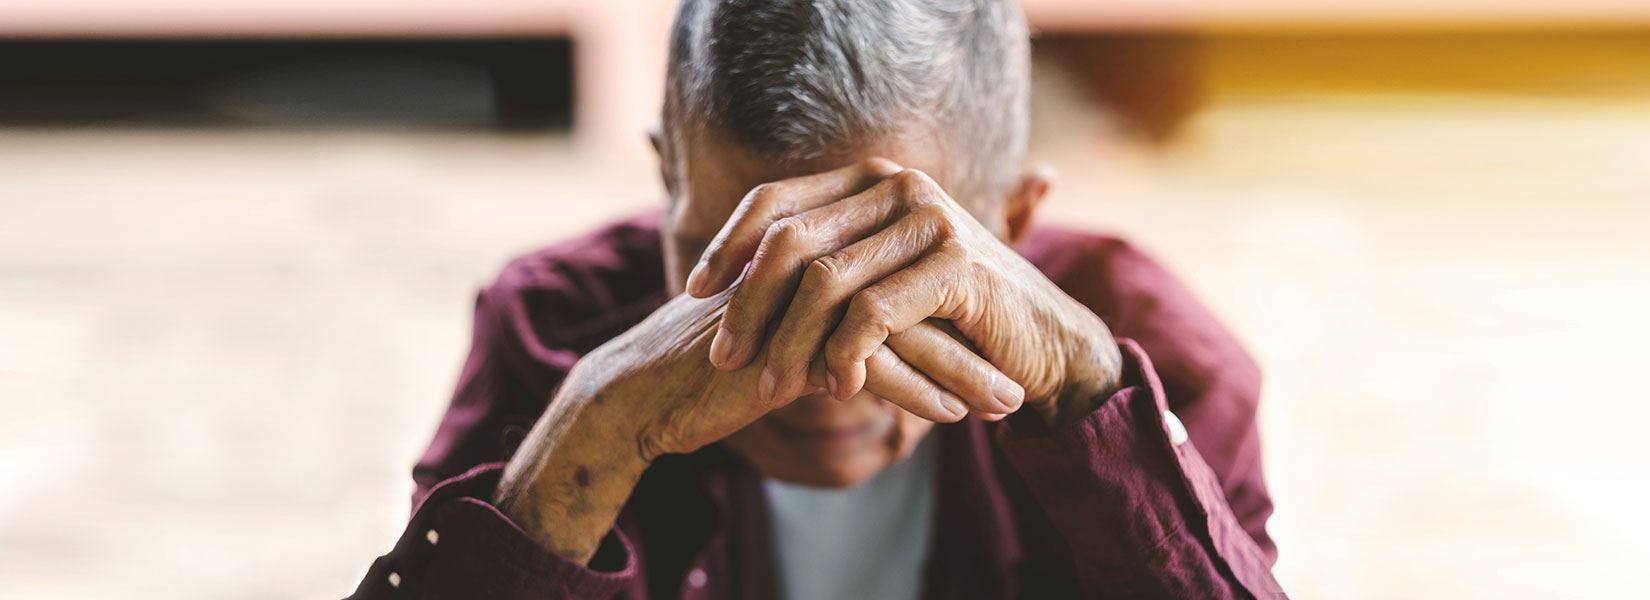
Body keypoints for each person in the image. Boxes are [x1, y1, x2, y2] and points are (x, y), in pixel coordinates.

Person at [349, 0, 1284, 598]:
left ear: (1016, 225)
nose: (817, 372)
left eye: (894, 277)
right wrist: (589, 437)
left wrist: (1089, 397)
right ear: (665, 181)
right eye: (746, 274)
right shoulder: (557, 328)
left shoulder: (1153, 362)